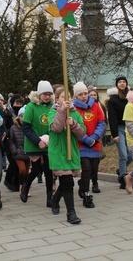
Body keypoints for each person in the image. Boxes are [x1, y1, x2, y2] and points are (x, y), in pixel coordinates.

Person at [48, 86, 86, 224]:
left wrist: (74, 124)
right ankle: (71, 213)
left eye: (69, 97)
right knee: (67, 182)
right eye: (63, 97)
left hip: (71, 151)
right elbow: (56, 128)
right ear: (57, 99)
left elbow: (82, 133)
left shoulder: (75, 113)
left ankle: (55, 200)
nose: (67, 100)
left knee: (66, 181)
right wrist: (62, 111)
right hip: (59, 152)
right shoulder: (52, 112)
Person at [21, 80, 55, 208]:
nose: (47, 97)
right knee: (36, 169)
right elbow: (26, 128)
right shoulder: (31, 106)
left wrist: (49, 139)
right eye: (45, 94)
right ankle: (26, 187)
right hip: (34, 143)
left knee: (48, 170)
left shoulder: (52, 106)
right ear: (39, 94)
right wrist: (38, 141)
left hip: (49, 143)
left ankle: (49, 198)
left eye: (49, 94)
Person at [72, 82, 105, 208]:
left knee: (94, 169)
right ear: (76, 96)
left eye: (85, 93)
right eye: (80, 94)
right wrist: (85, 139)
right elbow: (75, 127)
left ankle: (82, 183)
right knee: (86, 168)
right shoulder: (74, 109)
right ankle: (86, 194)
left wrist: (94, 137)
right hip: (81, 144)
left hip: (94, 143)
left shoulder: (95, 106)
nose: (84, 96)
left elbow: (101, 123)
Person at [107, 75, 133, 189]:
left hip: (130, 128)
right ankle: (123, 178)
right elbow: (112, 118)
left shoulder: (131, 98)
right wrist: (115, 134)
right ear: (117, 85)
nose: (122, 84)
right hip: (119, 128)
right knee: (123, 154)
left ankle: (120, 170)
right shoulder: (113, 100)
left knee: (132, 154)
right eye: (120, 82)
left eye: (124, 82)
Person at [3, 94, 25, 191]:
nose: (19, 105)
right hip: (10, 140)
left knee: (18, 163)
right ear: (12, 103)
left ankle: (16, 181)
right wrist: (8, 132)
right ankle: (8, 180)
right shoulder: (8, 113)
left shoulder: (23, 112)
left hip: (20, 140)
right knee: (13, 162)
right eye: (17, 103)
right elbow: (5, 127)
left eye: (20, 103)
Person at [8, 105, 30, 195]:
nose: (23, 118)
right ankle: (21, 186)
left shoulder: (30, 126)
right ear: (18, 117)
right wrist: (14, 150)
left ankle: (25, 187)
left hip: (28, 152)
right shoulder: (14, 128)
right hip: (18, 152)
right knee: (22, 169)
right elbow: (11, 141)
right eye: (21, 116)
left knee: (27, 171)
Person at [88, 88, 105, 193]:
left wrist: (98, 134)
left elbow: (103, 121)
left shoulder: (100, 106)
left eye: (95, 95)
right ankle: (85, 183)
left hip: (97, 137)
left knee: (95, 163)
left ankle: (95, 182)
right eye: (91, 95)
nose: (93, 97)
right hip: (84, 139)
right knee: (86, 165)